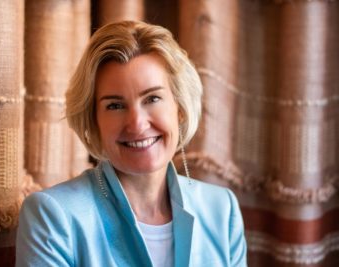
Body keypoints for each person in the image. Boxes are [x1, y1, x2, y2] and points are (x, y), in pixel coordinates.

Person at [16, 20, 247, 267]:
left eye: (152, 98)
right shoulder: (53, 216)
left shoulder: (222, 209)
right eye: (115, 105)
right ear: (93, 120)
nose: (137, 124)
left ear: (179, 108)